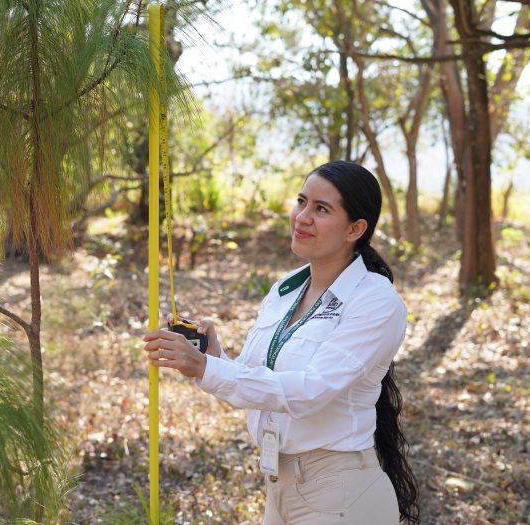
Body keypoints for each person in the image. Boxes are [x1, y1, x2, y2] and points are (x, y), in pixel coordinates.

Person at [143, 160, 419, 524]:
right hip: (279, 487)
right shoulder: (286, 288)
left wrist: (208, 369)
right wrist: (215, 357)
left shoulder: (376, 301)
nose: (302, 217)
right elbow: (260, 379)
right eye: (301, 201)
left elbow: (310, 391)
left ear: (355, 228)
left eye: (321, 209)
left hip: (339, 495)